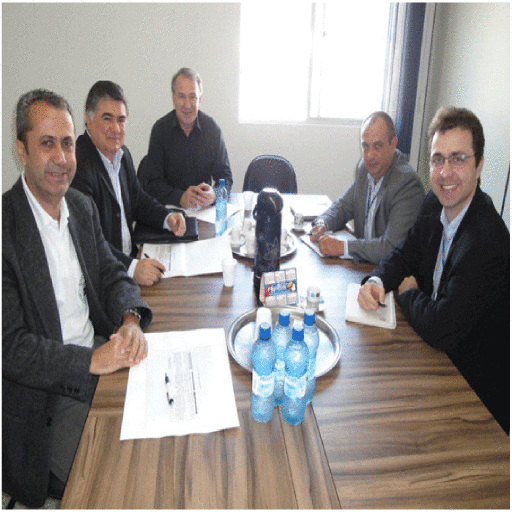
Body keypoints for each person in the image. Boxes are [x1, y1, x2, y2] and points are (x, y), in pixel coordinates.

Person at [3, 89, 153, 508]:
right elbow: (11, 348)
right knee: (123, 478)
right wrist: (91, 361)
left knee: (159, 429)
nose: (61, 158)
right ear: (21, 150)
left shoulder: (80, 207)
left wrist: (129, 318)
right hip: (45, 401)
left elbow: (111, 274)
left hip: (99, 360)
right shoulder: (4, 230)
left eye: (67, 143)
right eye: (46, 143)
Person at [358, 107, 510, 434]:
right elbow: (404, 254)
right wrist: (377, 280)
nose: (445, 173)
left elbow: (442, 327)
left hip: (475, 398)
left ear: (479, 165)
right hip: (434, 358)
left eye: (458, 159)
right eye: (437, 160)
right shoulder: (434, 203)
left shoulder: (488, 240)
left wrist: (409, 293)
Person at [71, 81, 186, 287]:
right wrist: (131, 267)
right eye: (107, 119)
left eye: (121, 120)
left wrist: (167, 217)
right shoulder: (77, 166)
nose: (116, 128)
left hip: (131, 260)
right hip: (103, 279)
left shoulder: (122, 155)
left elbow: (138, 199)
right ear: (88, 120)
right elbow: (87, 239)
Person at [310, 111, 425, 264]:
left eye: (377, 146)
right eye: (365, 146)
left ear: (393, 145)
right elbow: (343, 206)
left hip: (393, 272)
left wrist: (343, 247)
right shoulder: (364, 169)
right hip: (364, 265)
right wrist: (323, 223)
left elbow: (391, 248)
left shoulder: (406, 184)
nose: (370, 155)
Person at [137, 67, 233, 209]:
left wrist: (214, 194)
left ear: (200, 99)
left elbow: (226, 177)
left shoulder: (212, 129)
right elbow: (151, 184)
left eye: (192, 97)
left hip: (203, 212)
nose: (187, 105)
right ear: (173, 99)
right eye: (182, 96)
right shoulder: (160, 130)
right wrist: (180, 197)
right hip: (169, 211)